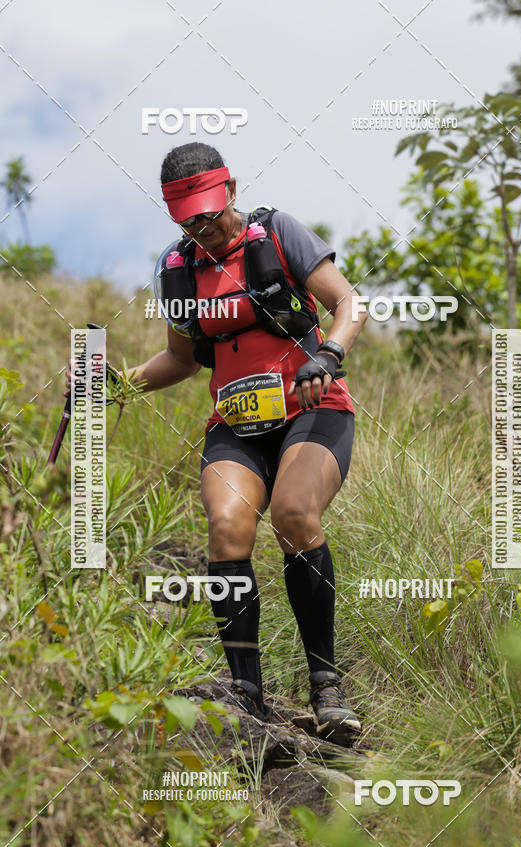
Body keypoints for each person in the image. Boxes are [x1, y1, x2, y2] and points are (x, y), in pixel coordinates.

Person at [70, 142, 368, 746]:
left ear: (230, 191)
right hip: (235, 426)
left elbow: (348, 302)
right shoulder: (178, 269)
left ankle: (326, 686)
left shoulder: (278, 233)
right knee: (228, 529)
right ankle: (247, 699)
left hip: (312, 409)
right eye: (189, 219)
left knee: (292, 514)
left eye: (210, 213)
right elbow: (181, 360)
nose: (203, 227)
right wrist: (113, 385)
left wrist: (328, 354)